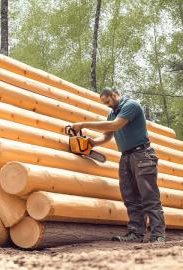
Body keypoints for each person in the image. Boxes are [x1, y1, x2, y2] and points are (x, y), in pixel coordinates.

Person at [71, 87, 166, 243]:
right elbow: (107, 135)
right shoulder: (111, 113)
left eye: (108, 101)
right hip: (126, 156)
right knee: (130, 197)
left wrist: (83, 124)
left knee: (149, 196)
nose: (107, 105)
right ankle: (135, 234)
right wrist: (92, 142)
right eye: (104, 103)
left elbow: (115, 126)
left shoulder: (131, 105)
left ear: (114, 95)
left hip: (142, 155)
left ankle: (158, 235)